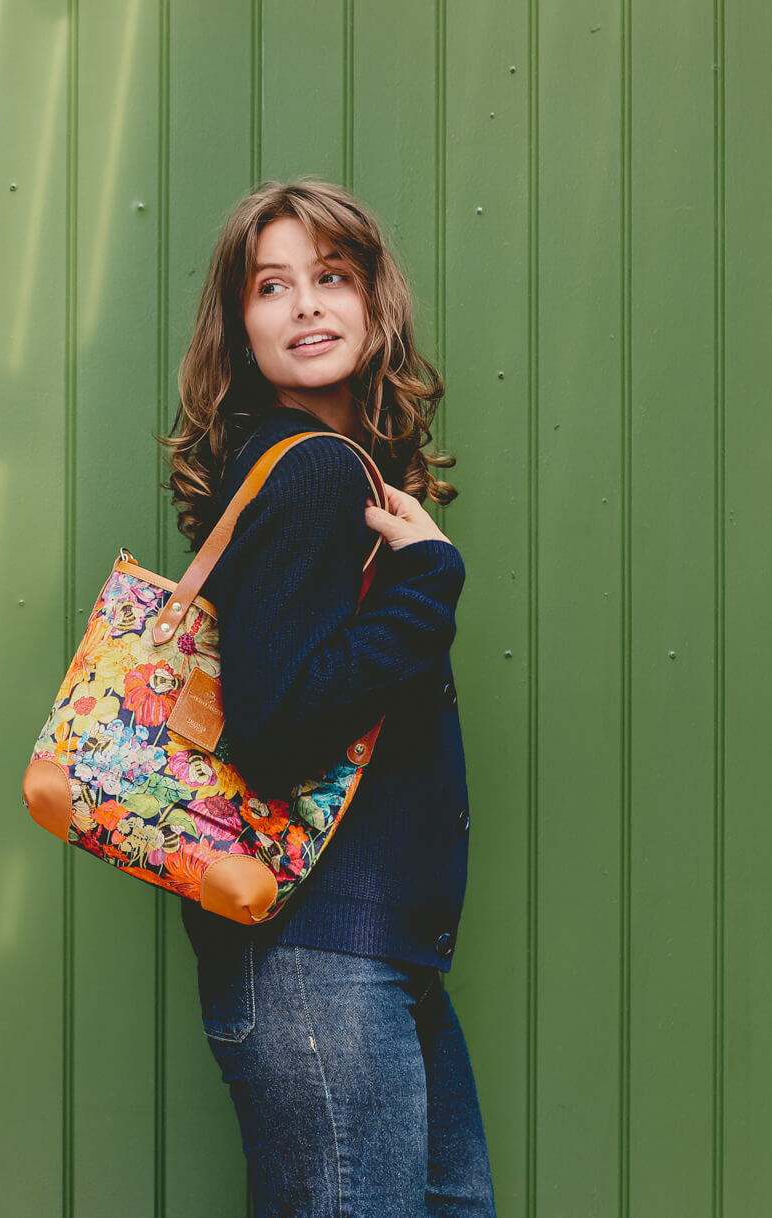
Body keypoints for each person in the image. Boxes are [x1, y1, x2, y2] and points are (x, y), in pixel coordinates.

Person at [161, 178, 496, 1218]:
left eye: (331, 277)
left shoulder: (336, 476)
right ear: (240, 327)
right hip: (321, 963)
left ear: (371, 303)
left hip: (356, 954)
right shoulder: (306, 477)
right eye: (273, 285)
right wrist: (430, 581)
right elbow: (271, 733)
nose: (306, 304)